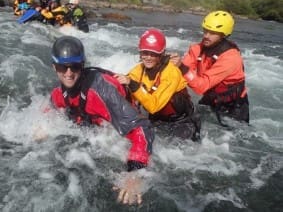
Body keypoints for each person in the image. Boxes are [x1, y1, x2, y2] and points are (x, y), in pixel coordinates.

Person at [49, 36, 154, 205]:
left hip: (118, 118)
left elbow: (142, 128)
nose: (69, 73)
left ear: (82, 65)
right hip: (90, 121)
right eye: (63, 67)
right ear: (54, 67)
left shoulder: (101, 91)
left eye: (74, 67)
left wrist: (135, 173)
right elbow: (51, 107)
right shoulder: (58, 91)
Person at [115, 29, 201, 141]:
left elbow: (154, 106)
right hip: (157, 120)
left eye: (154, 54)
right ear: (140, 53)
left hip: (183, 122)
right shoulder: (139, 70)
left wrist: (133, 85)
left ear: (161, 54)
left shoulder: (171, 72)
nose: (149, 57)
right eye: (145, 53)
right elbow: (125, 83)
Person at [169, 10, 249, 126]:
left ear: (223, 34)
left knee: (235, 140)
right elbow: (180, 71)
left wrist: (181, 67)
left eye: (212, 33)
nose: (206, 35)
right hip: (210, 97)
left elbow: (201, 86)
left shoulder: (231, 57)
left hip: (233, 106)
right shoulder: (198, 48)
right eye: (206, 30)